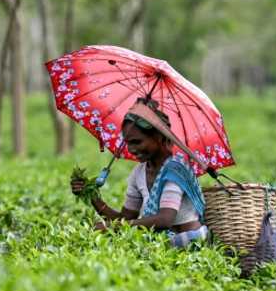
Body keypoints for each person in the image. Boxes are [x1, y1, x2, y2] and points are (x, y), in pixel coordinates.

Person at [71, 104, 209, 247]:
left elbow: (165, 219)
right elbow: (125, 218)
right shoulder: (139, 173)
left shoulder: (175, 170)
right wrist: (93, 197)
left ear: (159, 137)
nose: (131, 149)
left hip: (189, 242)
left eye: (137, 142)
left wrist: (114, 227)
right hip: (160, 242)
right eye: (128, 143)